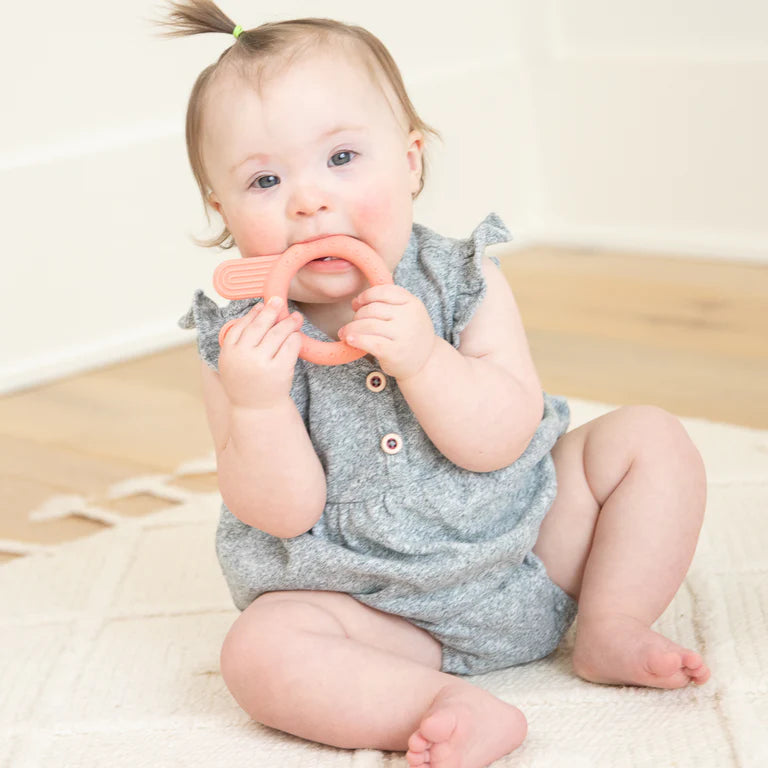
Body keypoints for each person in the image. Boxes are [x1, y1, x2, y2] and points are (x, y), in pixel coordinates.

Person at [163, 2, 711, 765]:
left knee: (650, 438)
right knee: (259, 650)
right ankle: (440, 703)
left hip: (526, 552)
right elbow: (282, 513)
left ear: (412, 161)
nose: (309, 200)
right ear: (221, 210)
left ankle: (613, 625)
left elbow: (502, 438)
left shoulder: (462, 277)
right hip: (371, 610)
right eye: (264, 179)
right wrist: (257, 403)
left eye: (343, 159)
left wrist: (425, 359)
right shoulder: (240, 338)